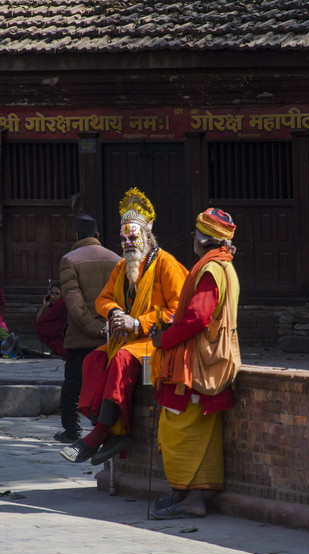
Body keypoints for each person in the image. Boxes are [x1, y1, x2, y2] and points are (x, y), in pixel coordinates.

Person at [59, 187, 188, 464]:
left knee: (120, 358)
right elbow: (103, 300)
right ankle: (106, 427)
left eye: (133, 237)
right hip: (126, 337)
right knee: (94, 358)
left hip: (156, 339)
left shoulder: (166, 265)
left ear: (147, 235)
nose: (128, 243)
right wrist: (115, 312)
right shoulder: (122, 267)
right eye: (123, 238)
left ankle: (100, 433)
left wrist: (138, 321)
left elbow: (178, 310)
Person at [149, 208, 240, 520]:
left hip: (199, 362)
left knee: (179, 427)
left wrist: (166, 339)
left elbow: (198, 317)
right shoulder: (223, 268)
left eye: (195, 233)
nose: (193, 238)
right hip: (209, 358)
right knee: (194, 428)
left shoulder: (212, 270)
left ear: (203, 239)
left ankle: (192, 498)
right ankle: (185, 493)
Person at [54, 211, 121, 444]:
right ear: (98, 235)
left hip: (82, 336)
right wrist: (107, 328)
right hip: (111, 335)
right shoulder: (117, 259)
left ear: (75, 235)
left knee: (73, 385)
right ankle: (104, 427)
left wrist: (94, 328)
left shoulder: (69, 259)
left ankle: (72, 430)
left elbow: (75, 305)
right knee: (106, 384)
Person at [34, 281, 68, 357]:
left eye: (57, 293)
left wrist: (43, 307)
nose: (53, 296)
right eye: (52, 293)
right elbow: (39, 322)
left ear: (62, 294)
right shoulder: (54, 305)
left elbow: (40, 323)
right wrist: (44, 306)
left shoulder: (61, 304)